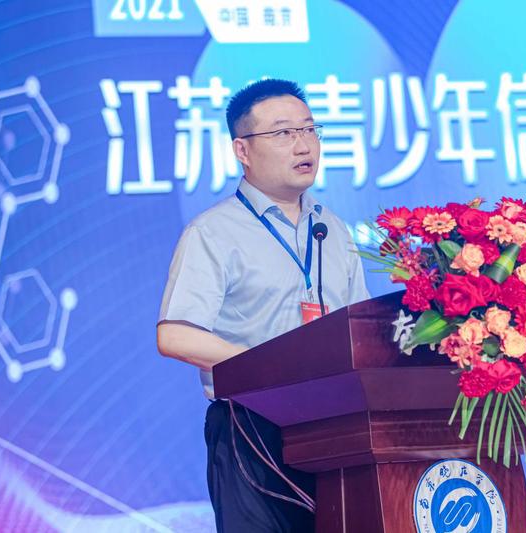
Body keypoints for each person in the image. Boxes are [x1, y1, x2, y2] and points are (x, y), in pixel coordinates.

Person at [156, 78, 370, 532]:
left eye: (309, 129)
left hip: (337, 425)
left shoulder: (332, 229)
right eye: (283, 132)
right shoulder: (214, 232)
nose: (303, 144)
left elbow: (361, 328)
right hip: (253, 429)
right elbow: (174, 335)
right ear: (243, 150)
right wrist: (267, 366)